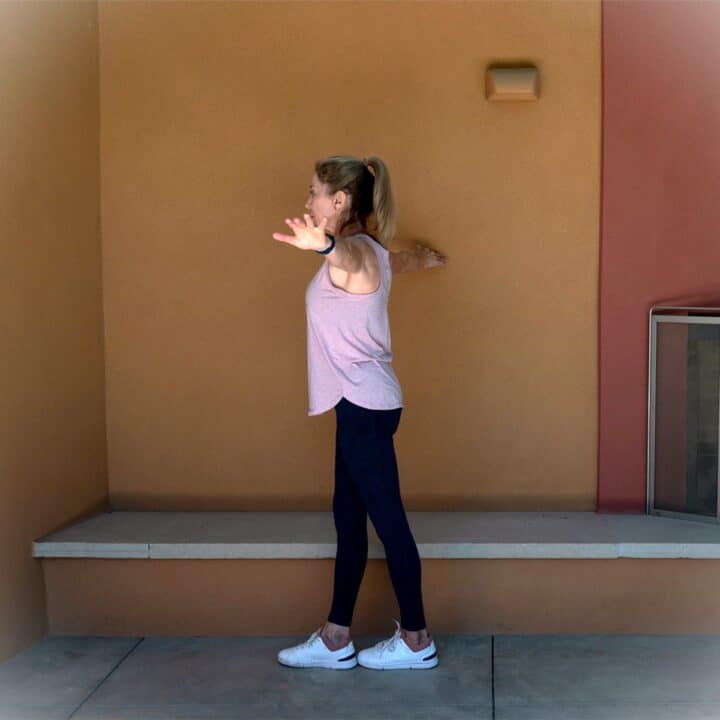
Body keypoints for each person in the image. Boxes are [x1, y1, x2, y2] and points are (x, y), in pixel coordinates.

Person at [271, 155, 448, 670]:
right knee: (349, 523)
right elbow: (399, 263)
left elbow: (347, 261)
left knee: (389, 524)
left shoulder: (353, 254)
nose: (307, 202)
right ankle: (335, 638)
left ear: (340, 201)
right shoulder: (379, 253)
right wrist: (428, 258)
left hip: (365, 408)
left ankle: (418, 640)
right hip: (356, 406)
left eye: (313, 193)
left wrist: (323, 245)